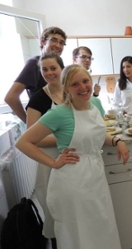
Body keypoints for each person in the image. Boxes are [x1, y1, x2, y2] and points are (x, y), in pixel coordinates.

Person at [16, 64, 129, 249]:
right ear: (66, 88)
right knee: (78, 231)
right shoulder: (59, 113)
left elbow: (98, 135)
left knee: (101, 224)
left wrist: (117, 141)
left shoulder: (96, 104)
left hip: (95, 175)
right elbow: (23, 142)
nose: (83, 87)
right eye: (75, 84)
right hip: (72, 180)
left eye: (85, 81)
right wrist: (53, 162)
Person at [25, 52, 65, 249]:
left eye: (53, 68)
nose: (49, 73)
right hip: (50, 160)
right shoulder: (38, 100)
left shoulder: (72, 92)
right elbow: (33, 139)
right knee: (54, 207)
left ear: (61, 69)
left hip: (73, 157)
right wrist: (63, 140)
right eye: (45, 69)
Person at [4, 27, 67, 123]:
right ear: (42, 42)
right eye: (54, 40)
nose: (58, 45)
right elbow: (11, 97)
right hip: (46, 127)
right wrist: (31, 124)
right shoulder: (34, 63)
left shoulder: (60, 66)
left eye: (62, 43)